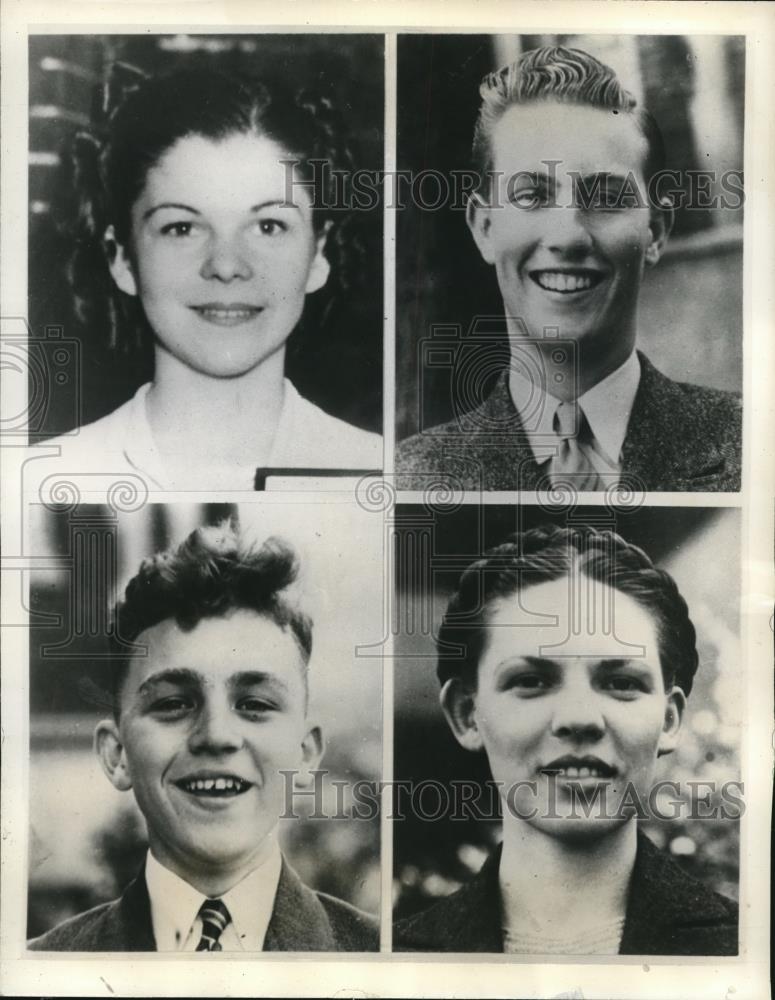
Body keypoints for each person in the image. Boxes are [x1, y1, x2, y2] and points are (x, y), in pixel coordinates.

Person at [395, 46, 741, 492]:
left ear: (655, 231)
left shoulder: (749, 444)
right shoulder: (412, 476)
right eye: (532, 196)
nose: (569, 235)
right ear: (484, 228)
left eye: (606, 198)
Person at [28, 521, 378, 952]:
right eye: (174, 704)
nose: (216, 736)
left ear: (306, 754)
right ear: (117, 754)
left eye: (254, 704)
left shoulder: (384, 956)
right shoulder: (43, 967)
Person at [393, 525, 738, 955]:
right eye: (532, 680)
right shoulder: (399, 956)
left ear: (669, 719)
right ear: (467, 715)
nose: (579, 718)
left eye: (621, 682)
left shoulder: (744, 951)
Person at [34, 65, 382, 491]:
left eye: (268, 226)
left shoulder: (378, 471)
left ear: (318, 254)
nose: (226, 264)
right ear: (121, 258)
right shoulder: (41, 480)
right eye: (182, 228)